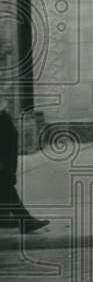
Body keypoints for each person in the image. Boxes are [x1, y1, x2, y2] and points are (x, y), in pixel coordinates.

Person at [0, 91, 49, 232]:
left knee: (5, 187)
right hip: (2, 163)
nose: (7, 100)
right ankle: (25, 220)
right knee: (6, 187)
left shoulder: (4, 117)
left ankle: (5, 218)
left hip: (6, 161)